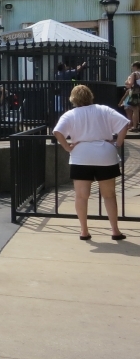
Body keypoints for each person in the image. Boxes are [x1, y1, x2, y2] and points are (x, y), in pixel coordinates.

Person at [52, 84, 130, 241]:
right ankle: (115, 230)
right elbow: (125, 123)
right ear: (90, 96)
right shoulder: (103, 109)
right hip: (105, 155)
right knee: (109, 195)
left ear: (73, 98)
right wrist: (118, 143)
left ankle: (84, 231)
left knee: (81, 196)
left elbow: (57, 132)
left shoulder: (70, 114)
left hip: (81, 156)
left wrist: (67, 147)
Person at [123, 62, 140, 132]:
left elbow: (130, 84)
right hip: (139, 93)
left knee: (134, 109)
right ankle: (136, 124)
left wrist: (126, 81)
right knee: (136, 109)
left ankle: (134, 126)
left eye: (132, 67)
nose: (132, 68)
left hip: (134, 93)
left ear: (135, 67)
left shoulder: (134, 74)